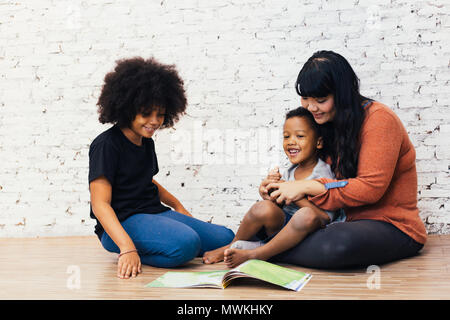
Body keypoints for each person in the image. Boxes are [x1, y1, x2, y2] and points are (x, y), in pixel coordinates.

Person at [263, 50, 427, 269]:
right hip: (337, 220)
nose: (311, 108)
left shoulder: (379, 120)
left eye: (321, 100)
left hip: (390, 225)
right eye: (306, 99)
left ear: (342, 95)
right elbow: (311, 171)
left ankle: (265, 250)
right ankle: (269, 245)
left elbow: (370, 187)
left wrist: (309, 186)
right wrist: (280, 188)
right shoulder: (322, 122)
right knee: (265, 215)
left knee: (338, 244)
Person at [89, 57, 234, 279]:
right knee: (186, 244)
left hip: (154, 214)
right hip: (121, 223)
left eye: (160, 114)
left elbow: (147, 181)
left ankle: (179, 246)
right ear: (127, 108)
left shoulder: (146, 142)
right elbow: (100, 204)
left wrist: (178, 206)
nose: (154, 121)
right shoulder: (106, 145)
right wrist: (127, 247)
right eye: (146, 113)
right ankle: (134, 251)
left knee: (226, 237)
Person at [203, 107, 345, 267]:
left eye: (300, 136)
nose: (291, 141)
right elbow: (279, 206)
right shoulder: (290, 171)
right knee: (261, 208)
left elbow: (325, 218)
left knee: (305, 214)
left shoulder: (323, 174)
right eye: (286, 136)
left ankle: (257, 253)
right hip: (283, 231)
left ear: (318, 142)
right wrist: (271, 192)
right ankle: (231, 246)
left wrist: (296, 196)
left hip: (310, 233)